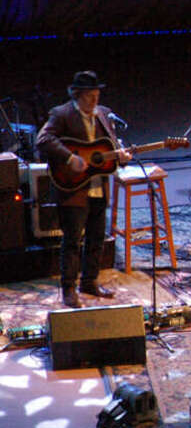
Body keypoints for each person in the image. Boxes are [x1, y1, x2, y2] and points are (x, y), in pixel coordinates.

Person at [36, 71, 132, 308]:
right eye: (90, 96)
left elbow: (109, 147)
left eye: (97, 95)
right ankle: (69, 289)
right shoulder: (62, 114)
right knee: (72, 241)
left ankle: (89, 281)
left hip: (98, 186)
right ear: (77, 95)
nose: (95, 101)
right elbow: (43, 140)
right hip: (73, 188)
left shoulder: (103, 114)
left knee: (97, 238)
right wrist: (70, 158)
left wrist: (122, 157)